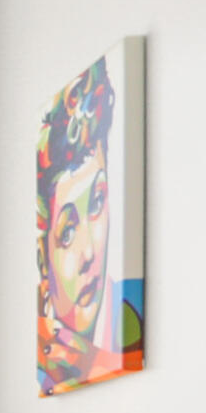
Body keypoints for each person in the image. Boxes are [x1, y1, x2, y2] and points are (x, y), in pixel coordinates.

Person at [38, 55, 137, 393]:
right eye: (67, 232)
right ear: (43, 256)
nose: (89, 253)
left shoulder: (129, 314)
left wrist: (96, 363)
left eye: (97, 203)